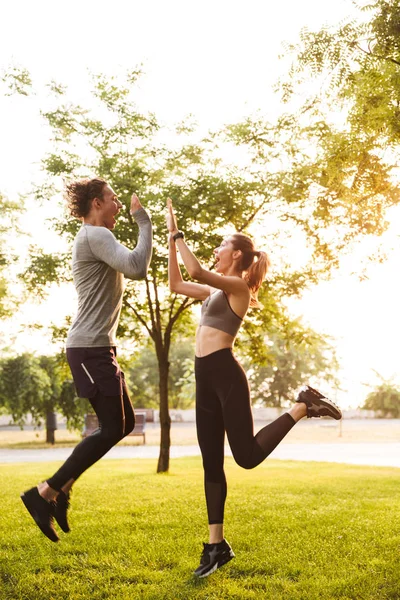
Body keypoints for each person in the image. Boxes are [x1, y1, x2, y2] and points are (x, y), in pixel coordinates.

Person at [166, 198, 342, 578]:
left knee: (245, 456)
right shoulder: (213, 293)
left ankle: (302, 406)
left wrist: (178, 231)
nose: (216, 250)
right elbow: (177, 282)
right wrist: (169, 236)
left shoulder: (235, 287)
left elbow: (194, 267)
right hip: (203, 377)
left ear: (237, 256)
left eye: (221, 246)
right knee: (211, 461)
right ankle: (216, 547)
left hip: (226, 375)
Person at [21, 177, 153, 542]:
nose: (117, 207)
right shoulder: (96, 236)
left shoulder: (96, 237)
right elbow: (138, 267)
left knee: (122, 425)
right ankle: (44, 493)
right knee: (111, 427)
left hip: (99, 347)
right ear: (96, 202)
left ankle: (61, 490)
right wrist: (144, 221)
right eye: (112, 200)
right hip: (89, 348)